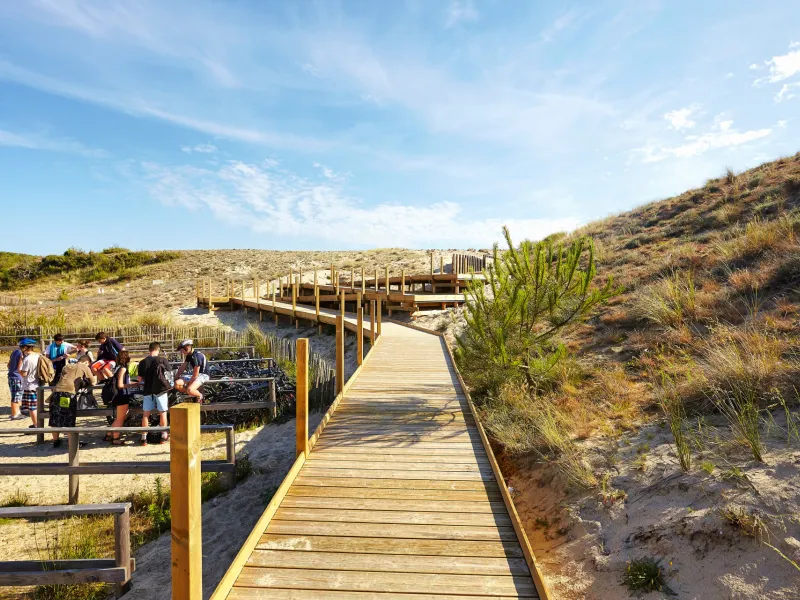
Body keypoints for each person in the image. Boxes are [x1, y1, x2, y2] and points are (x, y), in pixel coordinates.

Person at [49, 355, 95, 448]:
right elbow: (93, 382)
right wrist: (84, 383)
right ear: (86, 362)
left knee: (55, 418)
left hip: (56, 393)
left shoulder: (67, 366)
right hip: (68, 394)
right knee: (69, 418)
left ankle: (56, 441)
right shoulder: (84, 366)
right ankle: (73, 443)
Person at [137, 342, 172, 445]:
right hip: (161, 390)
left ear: (149, 349)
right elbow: (169, 375)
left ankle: (144, 438)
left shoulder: (143, 362)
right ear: (158, 349)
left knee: (146, 414)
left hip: (148, 391)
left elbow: (139, 379)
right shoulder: (163, 360)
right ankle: (163, 436)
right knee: (163, 413)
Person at [106, 351, 136, 445]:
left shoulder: (117, 368)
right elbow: (120, 385)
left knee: (120, 417)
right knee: (120, 418)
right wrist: (132, 385)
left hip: (118, 395)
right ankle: (116, 438)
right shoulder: (123, 369)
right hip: (122, 395)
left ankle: (109, 434)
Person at [17, 341, 41, 428]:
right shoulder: (38, 356)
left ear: (25, 348)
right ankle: (37, 424)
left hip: (29, 385)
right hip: (37, 383)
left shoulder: (27, 359)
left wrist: (19, 367)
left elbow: (24, 373)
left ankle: (36, 425)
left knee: (32, 407)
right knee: (36, 406)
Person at [6, 339, 25, 420]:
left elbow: (8, 365)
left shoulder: (14, 352)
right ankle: (14, 414)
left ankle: (17, 412)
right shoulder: (21, 354)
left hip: (11, 376)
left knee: (15, 395)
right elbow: (20, 367)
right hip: (17, 377)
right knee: (16, 397)